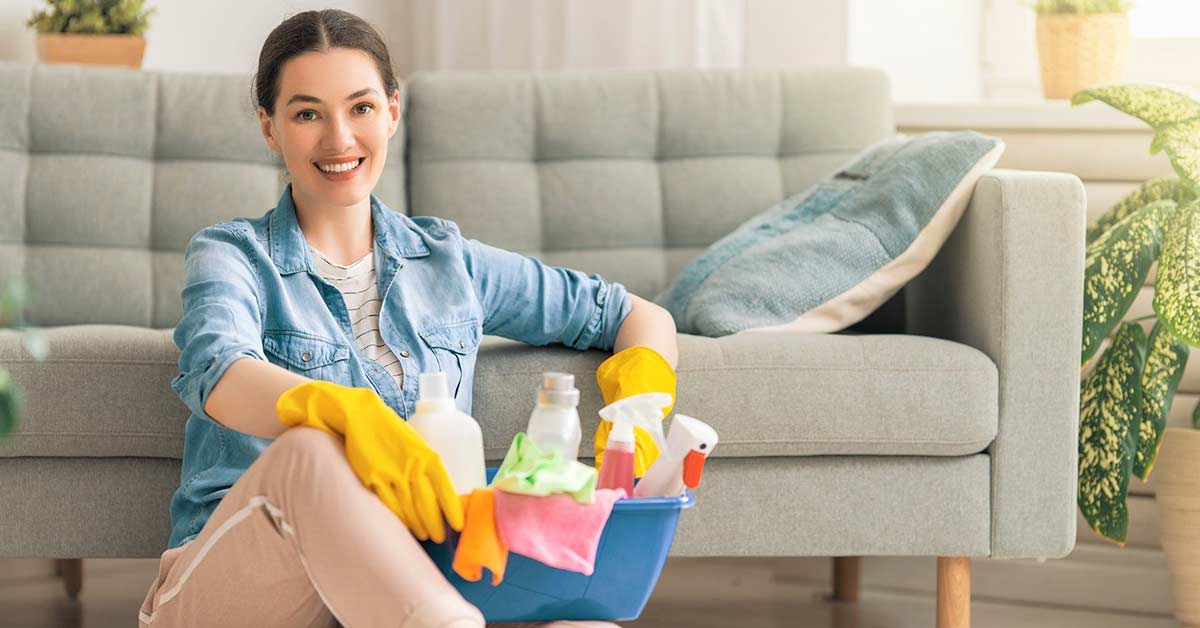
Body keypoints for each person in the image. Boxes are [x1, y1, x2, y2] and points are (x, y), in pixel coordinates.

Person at [137, 9, 679, 628]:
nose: (339, 138)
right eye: (307, 113)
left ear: (393, 110)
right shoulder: (233, 253)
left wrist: (638, 409)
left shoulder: (452, 265)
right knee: (311, 449)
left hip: (403, 583)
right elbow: (219, 373)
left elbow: (632, 315)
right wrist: (345, 412)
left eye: (361, 107)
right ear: (270, 126)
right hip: (241, 586)